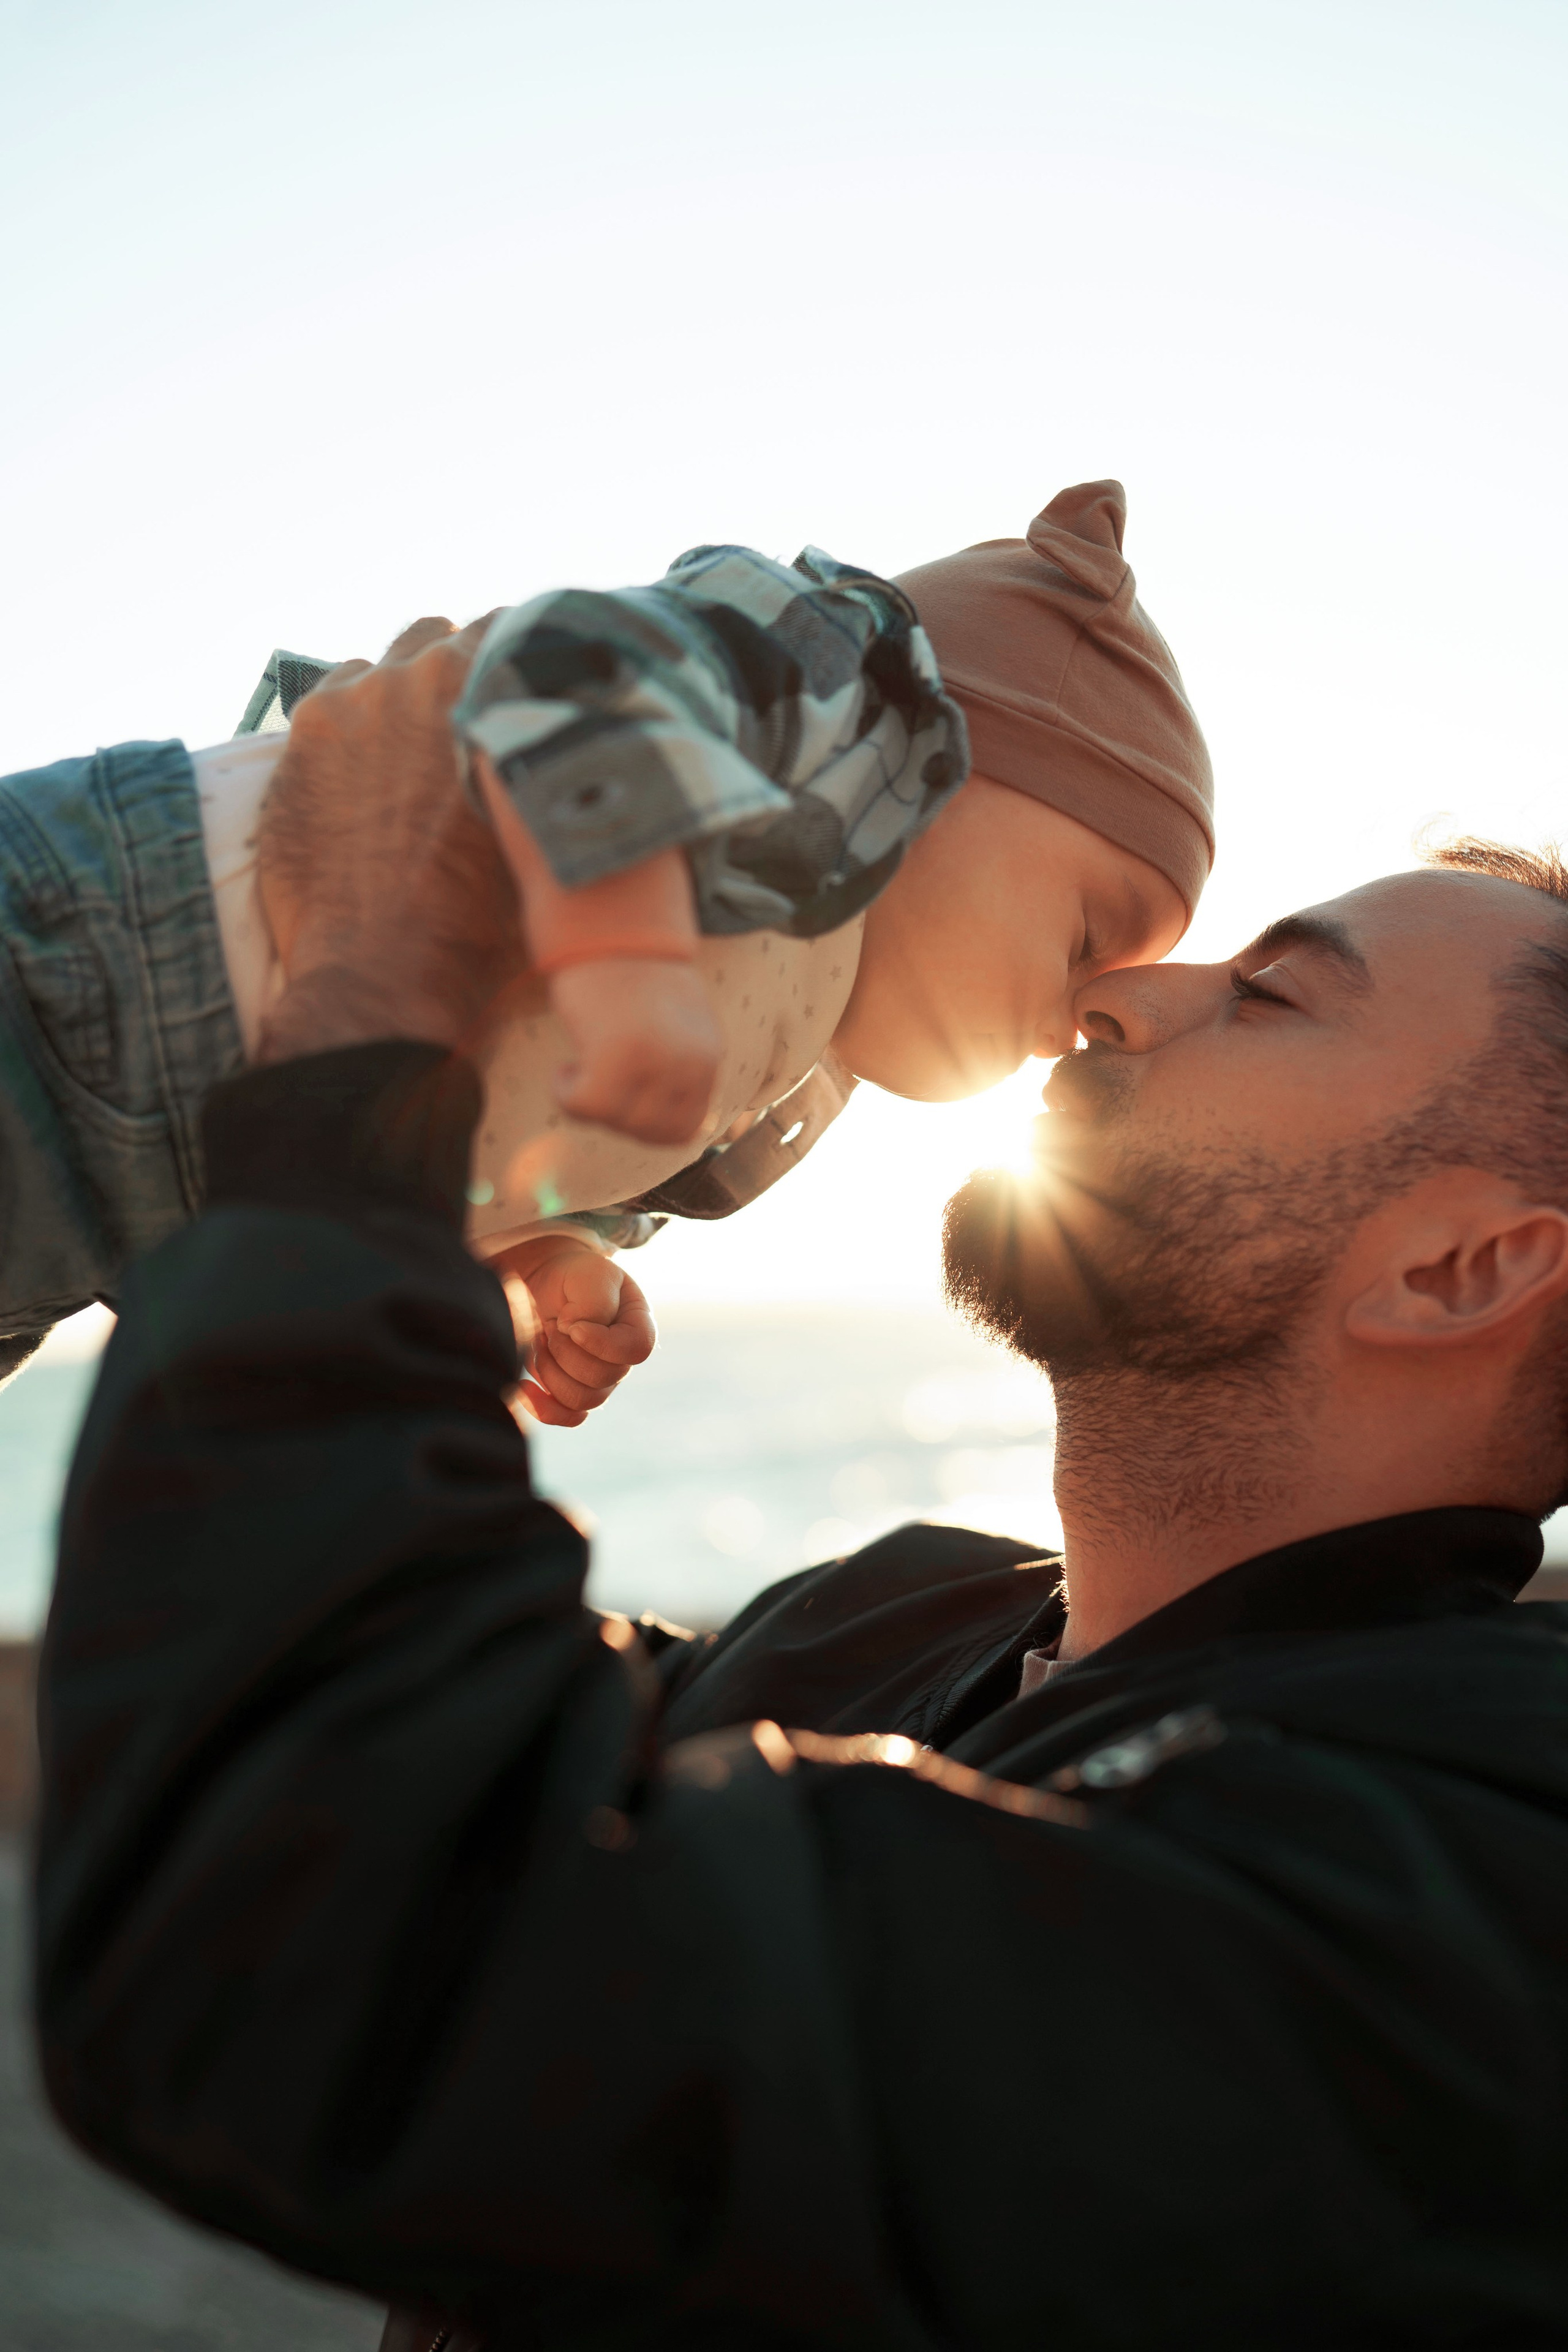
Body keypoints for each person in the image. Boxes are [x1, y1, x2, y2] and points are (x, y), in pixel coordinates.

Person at [31, 660, 1568, 2346]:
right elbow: (398, 1742)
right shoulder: (884, 1612)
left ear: (1464, 1266)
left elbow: (334, 1962)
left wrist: (368, 1053)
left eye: (1273, 995)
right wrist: (429, 1264)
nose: (1117, 995)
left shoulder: (1477, 1888)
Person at [0, 483, 1210, 1420]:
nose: (1075, 1018)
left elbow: (488, 1106)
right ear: (953, 753)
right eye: (1089, 935)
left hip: (136, 1216)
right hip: (104, 949)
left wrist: (533, 1254)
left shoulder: (775, 1071)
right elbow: (563, 664)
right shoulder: (825, 720)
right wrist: (621, 948)